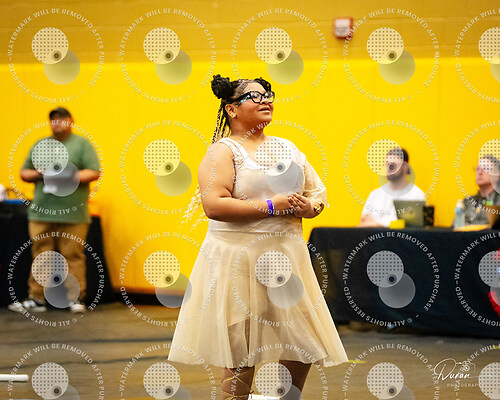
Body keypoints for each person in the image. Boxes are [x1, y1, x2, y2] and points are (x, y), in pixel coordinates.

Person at [167, 75, 348, 399]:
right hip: (239, 257)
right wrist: (271, 206)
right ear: (232, 109)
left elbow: (317, 196)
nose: (266, 100)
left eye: (268, 95)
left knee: (303, 339)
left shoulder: (288, 147)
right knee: (242, 343)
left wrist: (308, 207)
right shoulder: (222, 152)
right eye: (254, 96)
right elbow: (214, 205)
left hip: (286, 256)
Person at [8, 107, 100, 314]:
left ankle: (76, 298)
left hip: (73, 213)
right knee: (42, 254)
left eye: (62, 119)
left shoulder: (81, 144)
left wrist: (68, 176)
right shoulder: (41, 144)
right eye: (53, 119)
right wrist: (41, 174)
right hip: (42, 211)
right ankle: (37, 298)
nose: (57, 123)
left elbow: (94, 171)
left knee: (72, 255)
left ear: (71, 121)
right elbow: (24, 172)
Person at [359, 147, 426, 227]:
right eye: (387, 164)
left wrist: (376, 223)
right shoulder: (375, 194)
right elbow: (363, 223)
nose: (389, 168)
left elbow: (409, 226)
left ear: (406, 166)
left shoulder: (417, 195)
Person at [453, 154, 500, 227]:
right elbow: (455, 228)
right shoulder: (467, 202)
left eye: (486, 169)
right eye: (477, 169)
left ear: (497, 175)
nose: (480, 173)